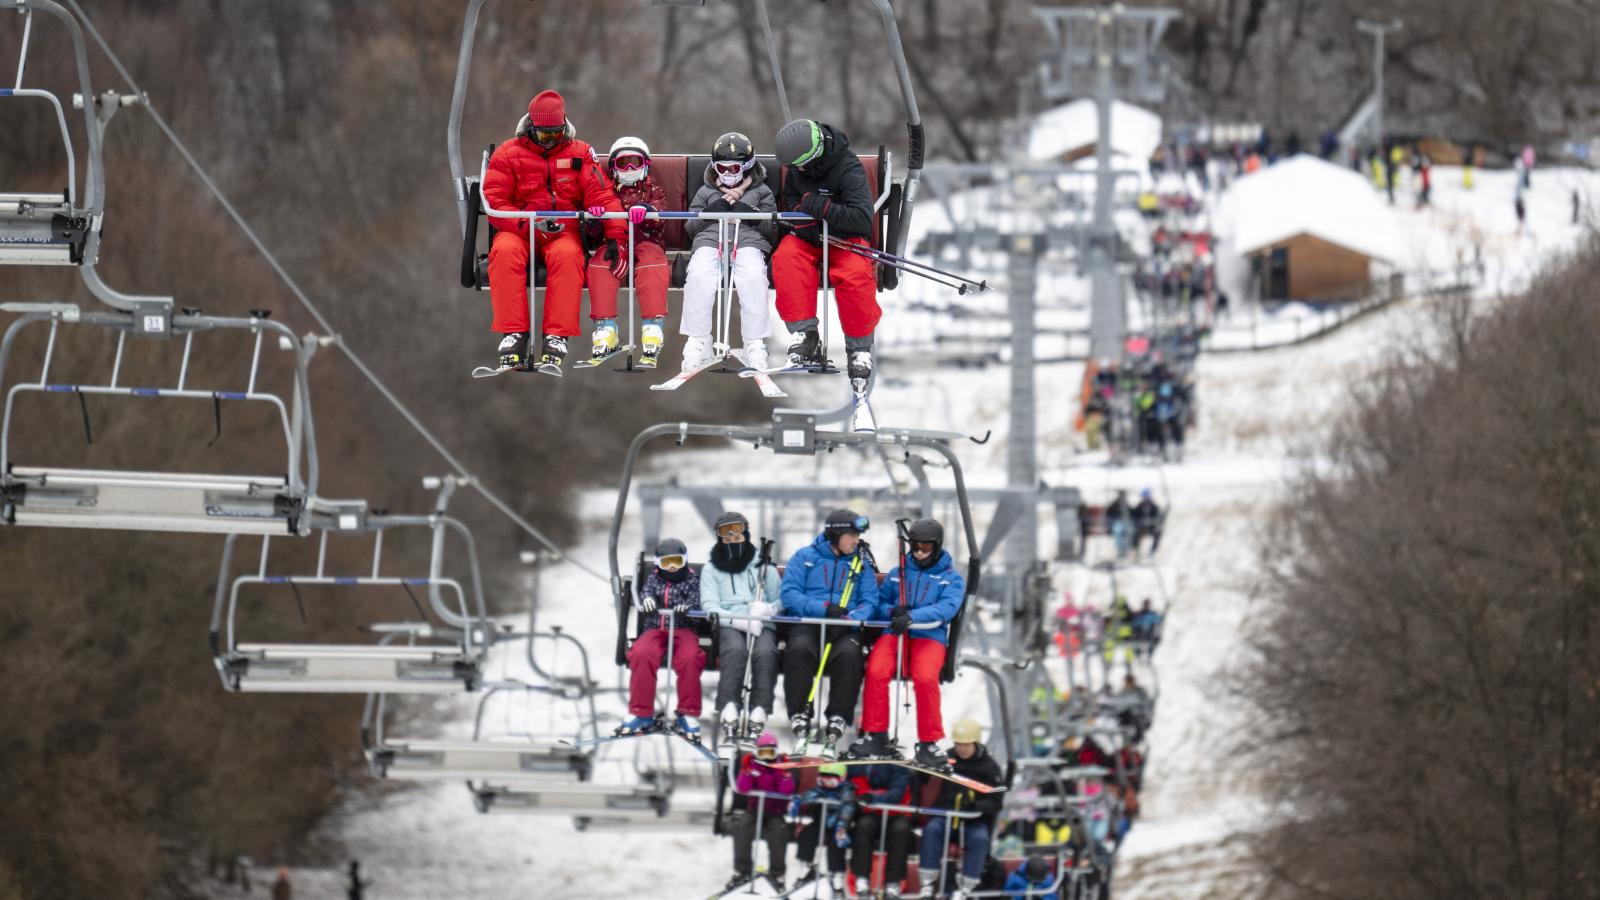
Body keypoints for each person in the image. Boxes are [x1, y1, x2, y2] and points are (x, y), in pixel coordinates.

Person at [482, 89, 626, 371]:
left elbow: (603, 196)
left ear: (564, 128)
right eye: (544, 136)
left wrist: (616, 236)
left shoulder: (580, 153)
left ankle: (556, 336)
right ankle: (514, 333)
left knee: (569, 256)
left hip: (562, 231)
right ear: (531, 128)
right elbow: (495, 201)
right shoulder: (508, 153)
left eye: (555, 135)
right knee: (504, 250)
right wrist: (529, 223)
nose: (550, 142)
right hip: (520, 229)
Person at [770, 118, 880, 386]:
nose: (796, 171)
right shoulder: (798, 171)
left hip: (846, 238)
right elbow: (794, 203)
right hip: (810, 237)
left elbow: (861, 219)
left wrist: (819, 207)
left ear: (813, 156)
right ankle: (805, 336)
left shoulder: (848, 169)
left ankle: (858, 348)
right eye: (793, 168)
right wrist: (804, 218)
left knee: (855, 275)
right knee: (786, 258)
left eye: (800, 166)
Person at [849, 518, 966, 769]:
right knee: (876, 670)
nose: (920, 553)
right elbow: (879, 603)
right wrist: (893, 611)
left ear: (936, 547)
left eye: (926, 548)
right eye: (916, 547)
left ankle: (928, 742)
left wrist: (913, 616)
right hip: (896, 634)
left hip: (928, 636)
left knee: (925, 678)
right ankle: (875, 734)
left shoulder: (950, 578)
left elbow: (946, 608)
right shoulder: (897, 574)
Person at [781, 509, 877, 757]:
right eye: (852, 535)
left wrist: (849, 620)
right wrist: (823, 609)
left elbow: (869, 601)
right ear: (836, 535)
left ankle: (837, 718)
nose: (856, 541)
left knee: (849, 655)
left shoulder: (860, 565)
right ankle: (800, 715)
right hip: (811, 621)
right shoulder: (805, 557)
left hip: (844, 627)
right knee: (799, 649)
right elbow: (790, 593)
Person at [682, 132, 779, 372]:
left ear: (746, 167)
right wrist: (710, 212)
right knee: (698, 274)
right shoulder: (706, 192)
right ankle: (698, 339)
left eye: (734, 167)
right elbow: (690, 227)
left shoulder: (762, 191)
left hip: (747, 242)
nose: (728, 174)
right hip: (710, 241)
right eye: (721, 168)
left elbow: (772, 230)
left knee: (754, 276)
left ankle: (754, 342)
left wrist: (752, 215)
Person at [585, 136, 670, 367]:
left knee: (652, 266)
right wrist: (594, 219)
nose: (630, 169)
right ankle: (605, 330)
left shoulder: (651, 188)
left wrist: (648, 212)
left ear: (646, 165)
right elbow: (592, 234)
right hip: (614, 242)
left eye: (636, 162)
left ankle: (653, 327)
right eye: (624, 163)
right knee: (600, 266)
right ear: (613, 167)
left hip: (646, 240)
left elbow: (661, 215)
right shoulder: (606, 188)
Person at [699, 511, 783, 742]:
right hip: (731, 623)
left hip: (760, 623)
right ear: (719, 539)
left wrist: (768, 609)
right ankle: (729, 705)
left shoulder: (763, 567)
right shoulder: (711, 569)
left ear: (746, 535)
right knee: (735, 650)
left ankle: (760, 708)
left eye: (738, 535)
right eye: (727, 537)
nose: (733, 540)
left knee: (766, 652)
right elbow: (709, 604)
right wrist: (735, 620)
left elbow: (781, 598)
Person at [618, 538, 705, 737]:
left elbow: (697, 599)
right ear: (658, 564)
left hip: (684, 629)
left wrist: (689, 608)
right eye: (667, 562)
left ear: (685, 561)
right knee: (641, 653)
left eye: (677, 561)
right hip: (656, 627)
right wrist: (647, 599)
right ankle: (641, 712)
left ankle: (687, 712)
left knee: (691, 658)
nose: (673, 567)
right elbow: (646, 590)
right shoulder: (654, 578)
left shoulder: (692, 579)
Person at [916, 719, 1004, 898]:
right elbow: (927, 780)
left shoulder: (988, 768)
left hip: (973, 819)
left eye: (966, 744)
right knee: (932, 830)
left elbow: (996, 802)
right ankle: (928, 882)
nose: (962, 749)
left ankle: (966, 887)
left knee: (979, 839)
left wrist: (975, 806)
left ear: (975, 743)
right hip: (947, 816)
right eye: (958, 744)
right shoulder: (946, 760)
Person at [726, 732, 795, 893]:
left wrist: (785, 775)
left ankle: (777, 875)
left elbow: (787, 790)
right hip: (755, 809)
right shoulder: (752, 765)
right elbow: (743, 788)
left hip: (775, 811)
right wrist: (747, 771)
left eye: (770, 753)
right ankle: (742, 871)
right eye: (763, 753)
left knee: (778, 837)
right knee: (742, 830)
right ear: (757, 752)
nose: (766, 757)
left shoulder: (782, 766)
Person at [846, 763, 916, 898]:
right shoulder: (861, 762)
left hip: (897, 812)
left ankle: (893, 883)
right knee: (863, 825)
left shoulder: (899, 766)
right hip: (872, 811)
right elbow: (849, 777)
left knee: (900, 830)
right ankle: (862, 879)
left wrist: (873, 797)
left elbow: (897, 794)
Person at [790, 762, 859, 894]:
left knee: (837, 843)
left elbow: (848, 807)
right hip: (820, 821)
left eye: (831, 779)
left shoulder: (847, 790)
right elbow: (810, 794)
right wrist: (798, 800)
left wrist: (842, 825)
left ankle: (837, 875)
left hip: (839, 824)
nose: (826, 782)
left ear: (841, 779)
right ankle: (805, 865)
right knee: (808, 834)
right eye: (823, 778)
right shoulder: (821, 789)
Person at [1132, 488, 1163, 556]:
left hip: (1151, 527)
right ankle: (1136, 551)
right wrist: (1140, 522)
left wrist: (1153, 522)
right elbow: (1134, 518)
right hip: (1141, 527)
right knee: (1134, 533)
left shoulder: (1154, 507)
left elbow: (1158, 517)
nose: (1146, 499)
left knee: (1158, 533)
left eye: (1147, 497)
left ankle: (1152, 551)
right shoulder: (1139, 507)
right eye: (1144, 497)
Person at [1106, 491, 1134, 560]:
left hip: (1126, 523)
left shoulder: (1126, 505)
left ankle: (1126, 550)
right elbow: (1108, 513)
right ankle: (1120, 551)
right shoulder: (1114, 505)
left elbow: (1132, 514)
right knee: (1118, 532)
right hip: (1117, 523)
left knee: (1130, 532)